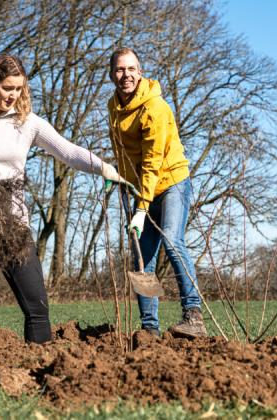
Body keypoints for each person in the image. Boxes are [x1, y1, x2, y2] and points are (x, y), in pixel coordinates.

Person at [0, 53, 129, 344]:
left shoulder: (27, 123)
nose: (13, 95)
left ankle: (38, 370)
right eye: (7, 88)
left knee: (37, 308)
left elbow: (67, 152)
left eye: (19, 89)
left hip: (11, 223)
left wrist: (104, 168)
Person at [106, 47, 207, 338]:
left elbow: (153, 161)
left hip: (171, 181)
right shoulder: (113, 106)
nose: (126, 75)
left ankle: (194, 316)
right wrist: (123, 183)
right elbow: (123, 153)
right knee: (142, 257)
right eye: (120, 70)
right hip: (139, 188)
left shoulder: (155, 107)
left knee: (172, 240)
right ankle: (149, 328)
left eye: (131, 69)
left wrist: (141, 208)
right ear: (112, 74)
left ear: (141, 71)